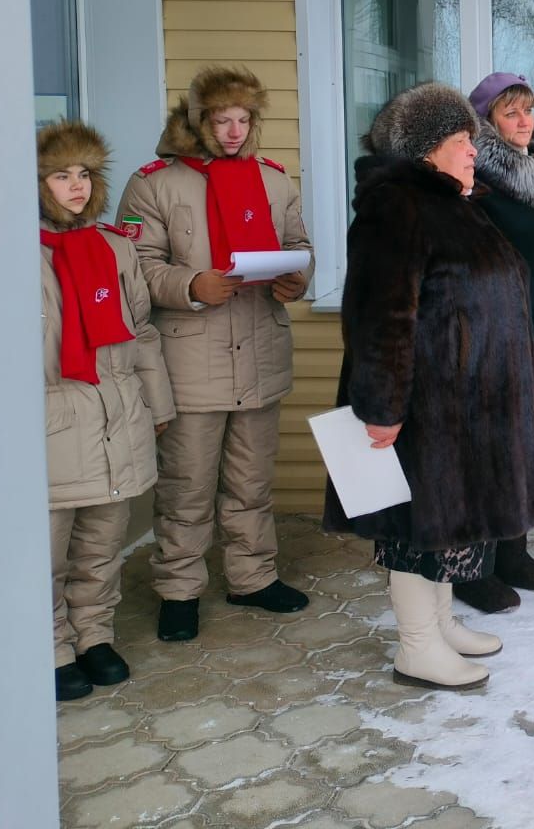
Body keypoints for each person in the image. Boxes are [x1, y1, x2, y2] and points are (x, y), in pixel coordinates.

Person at [325, 82, 534, 690]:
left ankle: (442, 623)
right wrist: (381, 408)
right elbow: (380, 315)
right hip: (420, 407)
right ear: (425, 150)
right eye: (458, 141)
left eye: (471, 140)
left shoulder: (451, 201)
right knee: (415, 528)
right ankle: (416, 646)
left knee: (446, 521)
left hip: (464, 404)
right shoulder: (396, 205)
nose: (472, 150)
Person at [116, 66, 314, 643]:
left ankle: (252, 577)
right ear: (198, 120)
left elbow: (299, 248)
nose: (232, 131)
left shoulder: (274, 181)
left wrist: (297, 281)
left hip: (260, 354)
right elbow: (134, 266)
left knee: (252, 482)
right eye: (221, 119)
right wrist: (189, 286)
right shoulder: (155, 183)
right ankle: (179, 590)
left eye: (243, 119)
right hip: (190, 361)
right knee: (187, 485)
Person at [39, 123, 174, 701]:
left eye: (84, 175)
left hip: (118, 411)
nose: (75, 185)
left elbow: (141, 329)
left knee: (103, 539)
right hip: (53, 418)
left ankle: (94, 635)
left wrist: (158, 403)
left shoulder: (115, 246)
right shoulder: (17, 252)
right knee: (48, 545)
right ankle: (51, 645)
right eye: (61, 174)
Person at [448, 71, 534, 614]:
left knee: (528, 441)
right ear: (486, 125)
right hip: (493, 333)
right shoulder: (479, 185)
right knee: (490, 444)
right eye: (510, 113)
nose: (524, 122)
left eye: (528, 110)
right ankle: (472, 568)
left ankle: (514, 553)